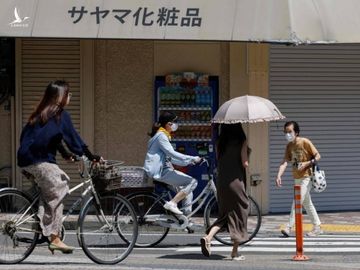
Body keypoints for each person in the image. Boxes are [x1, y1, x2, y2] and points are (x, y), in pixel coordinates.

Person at [17, 80, 101, 254]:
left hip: (27, 160)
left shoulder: (41, 113)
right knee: (60, 184)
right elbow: (73, 139)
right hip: (39, 160)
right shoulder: (60, 114)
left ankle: (40, 228)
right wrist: (91, 156)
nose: (70, 97)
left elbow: (55, 138)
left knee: (47, 194)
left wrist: (65, 154)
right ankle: (54, 236)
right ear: (60, 97)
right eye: (68, 94)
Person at [200, 123, 249, 261]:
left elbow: (218, 159)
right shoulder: (241, 141)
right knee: (239, 215)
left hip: (222, 182)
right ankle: (234, 252)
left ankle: (208, 237)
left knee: (225, 215)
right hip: (236, 182)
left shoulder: (220, 142)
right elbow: (245, 163)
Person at [143, 111, 202, 215]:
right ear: (169, 124)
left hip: (164, 170)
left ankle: (186, 220)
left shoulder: (162, 135)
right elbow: (172, 153)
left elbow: (170, 158)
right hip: (162, 171)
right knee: (193, 182)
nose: (176, 125)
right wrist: (193, 158)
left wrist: (188, 162)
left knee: (187, 191)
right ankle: (172, 203)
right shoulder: (161, 136)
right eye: (175, 122)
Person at [275, 121, 322, 237]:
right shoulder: (289, 146)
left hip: (307, 176)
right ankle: (317, 227)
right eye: (285, 132)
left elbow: (318, 156)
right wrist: (279, 175)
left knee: (297, 200)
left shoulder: (305, 142)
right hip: (296, 177)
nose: (287, 134)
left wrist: (307, 163)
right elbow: (285, 162)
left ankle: (288, 227)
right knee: (307, 203)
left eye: (290, 131)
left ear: (296, 132)